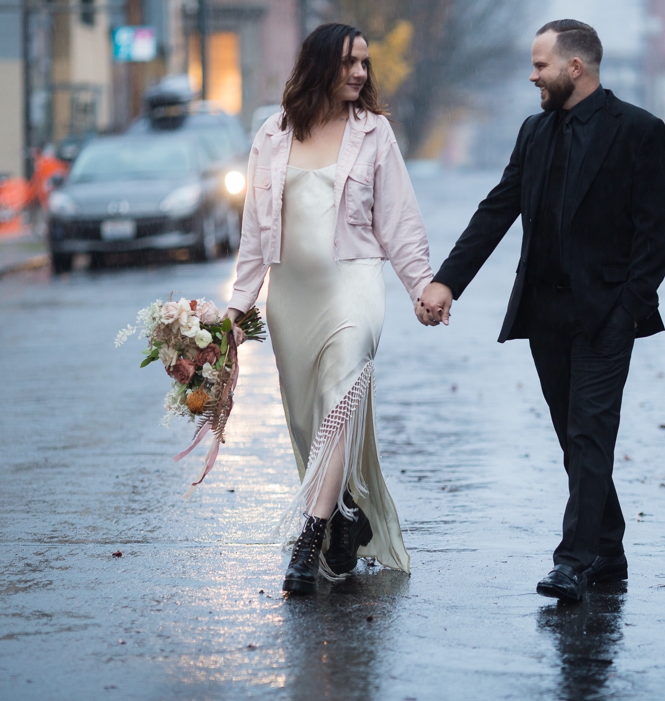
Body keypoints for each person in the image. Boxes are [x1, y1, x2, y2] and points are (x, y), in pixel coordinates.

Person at [418, 19, 665, 602]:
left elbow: (655, 231)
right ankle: (608, 545)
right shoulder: (533, 132)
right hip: (545, 315)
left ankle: (574, 562)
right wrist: (446, 283)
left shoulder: (638, 130)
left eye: (540, 66)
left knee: (589, 434)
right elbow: (496, 211)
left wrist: (630, 308)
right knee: (572, 436)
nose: (532, 75)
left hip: (608, 316)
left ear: (574, 68)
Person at [224, 23, 437, 594]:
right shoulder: (272, 135)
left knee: (340, 402)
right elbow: (252, 234)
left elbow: (399, 221)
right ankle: (346, 512)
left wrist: (421, 286)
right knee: (308, 423)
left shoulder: (374, 134)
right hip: (291, 297)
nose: (361, 73)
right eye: (350, 63)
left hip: (354, 286)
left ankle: (309, 538)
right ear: (320, 65)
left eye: (365, 63)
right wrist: (237, 310)